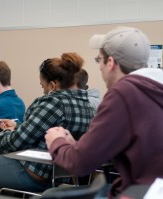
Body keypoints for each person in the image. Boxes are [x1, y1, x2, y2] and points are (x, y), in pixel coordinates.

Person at [45, 27, 163, 198]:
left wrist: (56, 142)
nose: (99, 67)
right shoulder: (154, 90)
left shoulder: (123, 93)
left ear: (110, 62)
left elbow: (80, 164)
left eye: (99, 59)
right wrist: (76, 146)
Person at [0, 52, 95, 193]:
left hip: (36, 172)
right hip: (63, 176)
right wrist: (18, 127)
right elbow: (46, 129)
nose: (43, 91)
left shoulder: (53, 102)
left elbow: (17, 141)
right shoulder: (86, 105)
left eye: (42, 86)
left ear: (53, 85)